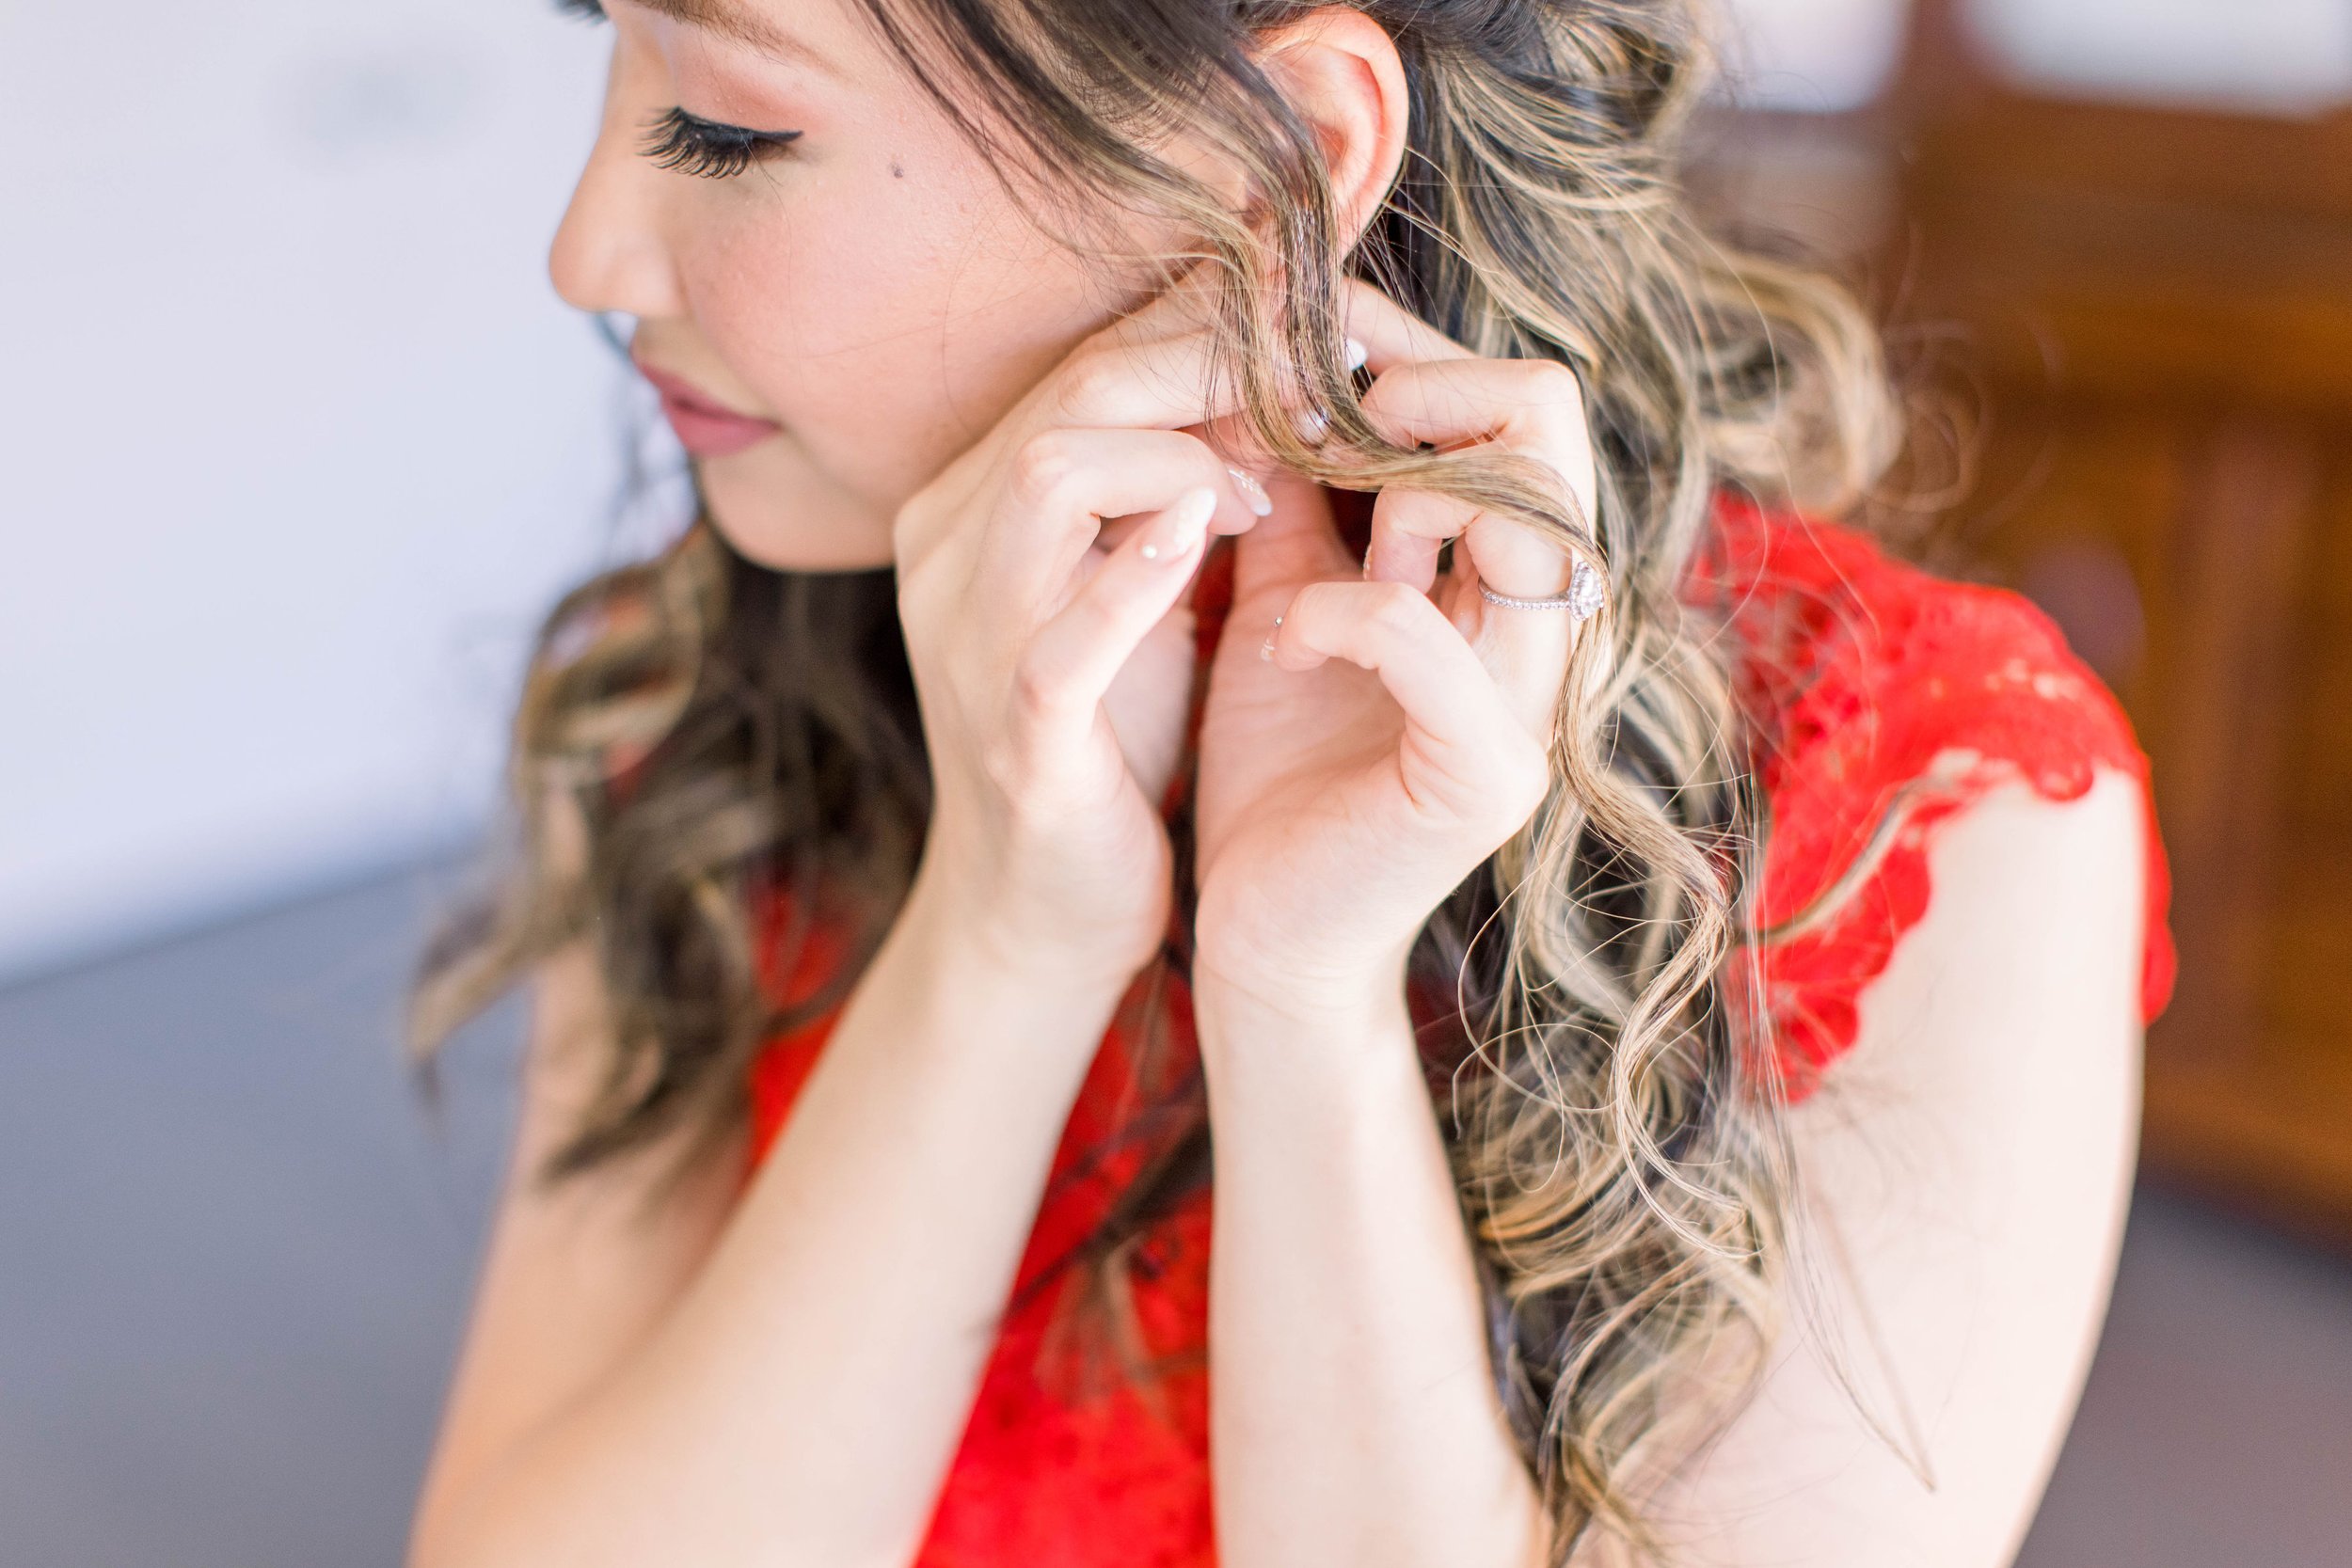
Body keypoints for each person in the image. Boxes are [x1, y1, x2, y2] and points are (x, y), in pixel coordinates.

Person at [404, 0, 2176, 1563]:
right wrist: (1004, 938)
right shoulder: (699, 683)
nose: (589, 252)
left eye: (730, 127)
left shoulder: (1937, 809)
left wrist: (1301, 993)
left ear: (1286, 162)